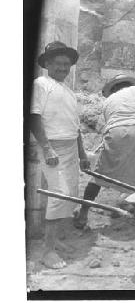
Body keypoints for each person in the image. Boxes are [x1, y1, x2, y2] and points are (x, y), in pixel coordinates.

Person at [73, 74, 135, 229]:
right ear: (129, 84)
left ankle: (83, 213)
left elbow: (111, 124)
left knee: (99, 175)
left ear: (114, 89)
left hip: (115, 131)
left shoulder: (108, 101)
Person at [30, 41, 90, 269]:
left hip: (70, 149)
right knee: (58, 195)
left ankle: (55, 242)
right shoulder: (40, 84)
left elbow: (75, 128)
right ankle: (47, 252)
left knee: (70, 194)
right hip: (52, 148)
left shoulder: (69, 91)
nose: (63, 68)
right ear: (47, 64)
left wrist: (83, 154)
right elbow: (34, 117)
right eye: (59, 64)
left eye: (67, 64)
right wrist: (46, 148)